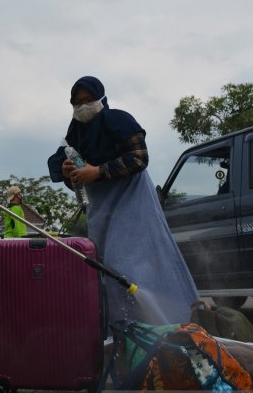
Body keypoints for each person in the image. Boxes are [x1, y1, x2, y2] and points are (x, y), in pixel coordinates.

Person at [47, 76, 199, 327]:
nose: (83, 106)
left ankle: (162, 324)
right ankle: (118, 331)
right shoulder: (75, 134)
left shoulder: (118, 120)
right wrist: (67, 171)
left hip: (132, 202)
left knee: (127, 266)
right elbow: (68, 169)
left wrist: (98, 171)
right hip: (100, 207)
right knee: (104, 268)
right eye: (77, 102)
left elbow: (139, 158)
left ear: (101, 99)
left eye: (89, 100)